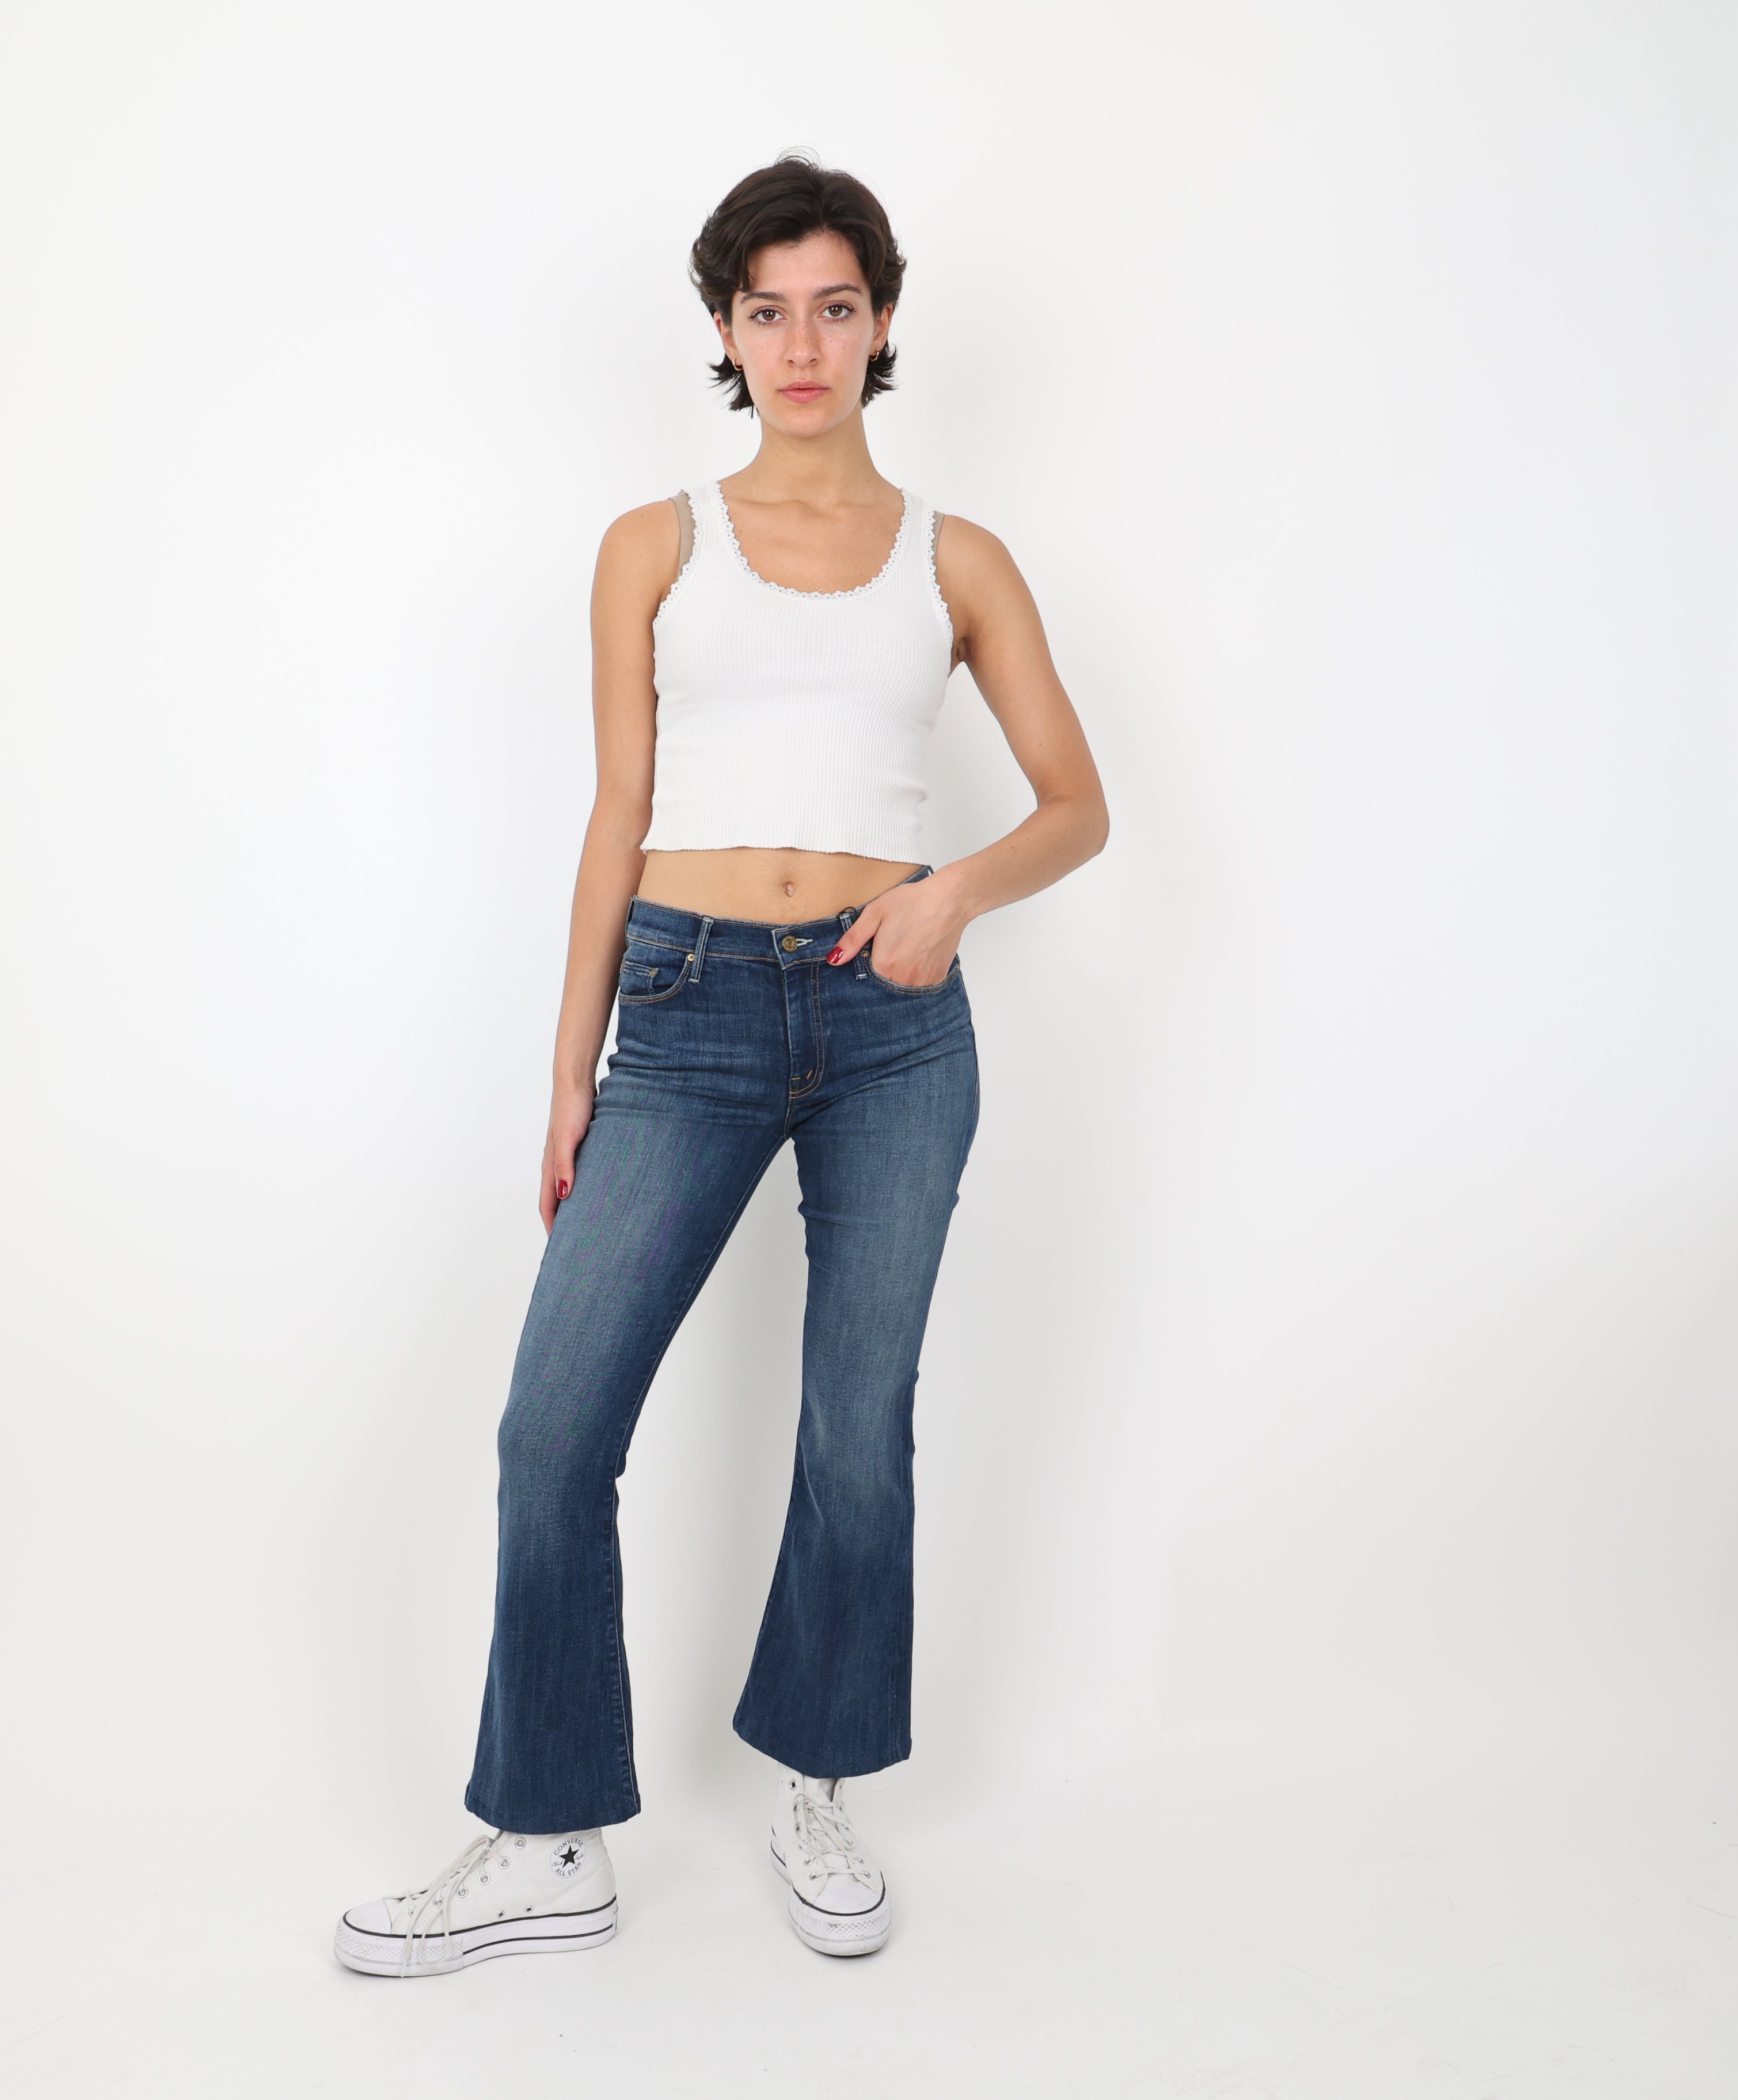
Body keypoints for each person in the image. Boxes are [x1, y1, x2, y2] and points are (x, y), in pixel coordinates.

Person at [336, 155, 1108, 1977]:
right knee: (553, 1431)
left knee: (857, 1428)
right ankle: (549, 1837)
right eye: (769, 312)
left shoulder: (960, 560)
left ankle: (818, 1787)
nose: (803, 343)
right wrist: (571, 1072)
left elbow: (1078, 806)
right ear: (726, 330)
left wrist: (954, 895)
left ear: (883, 319)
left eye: (836, 307)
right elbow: (617, 811)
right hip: (683, 1011)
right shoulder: (654, 544)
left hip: (892, 1023)